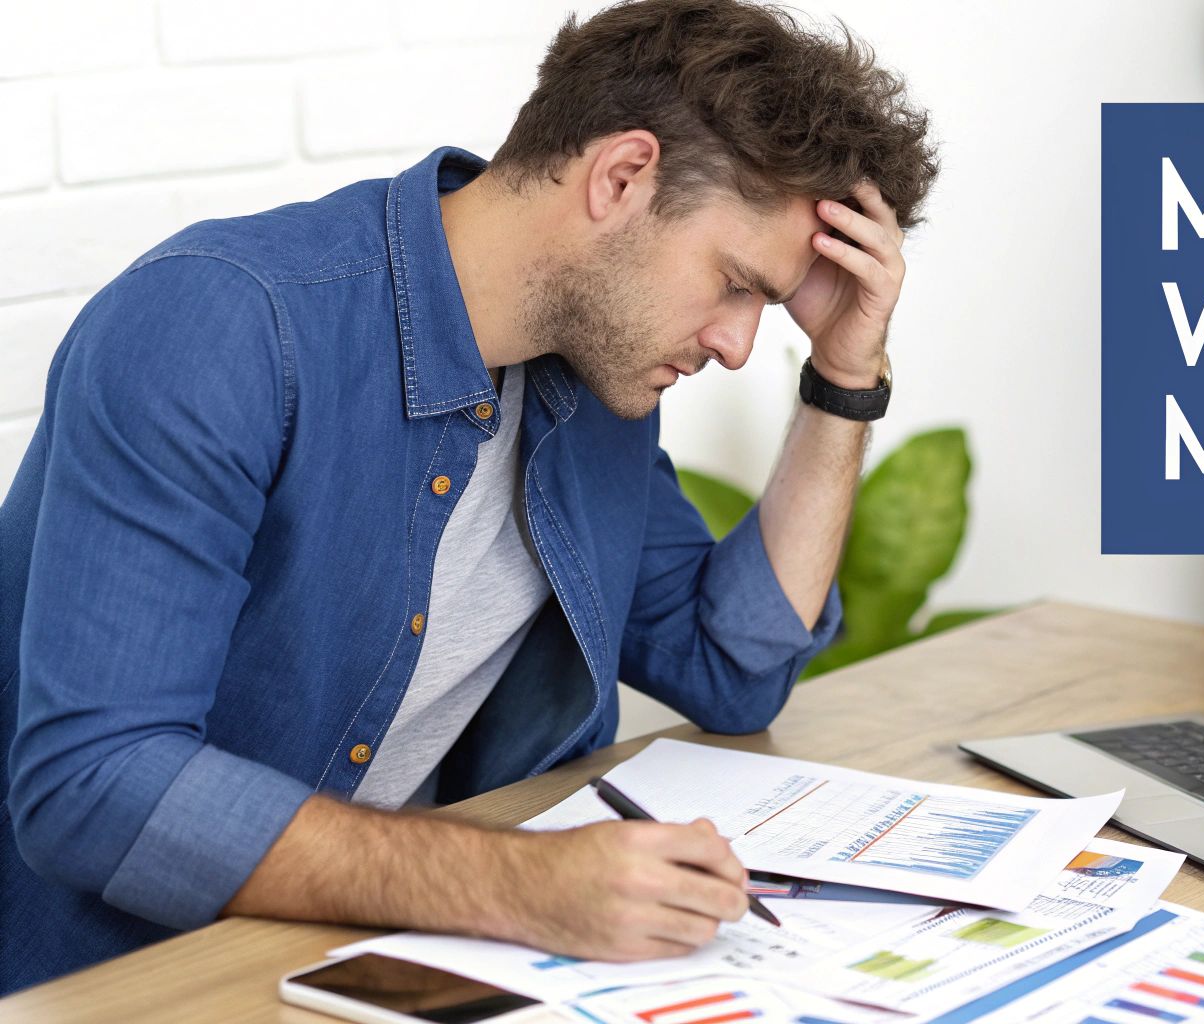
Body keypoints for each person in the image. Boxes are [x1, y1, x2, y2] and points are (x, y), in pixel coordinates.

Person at [0, 0, 938, 994]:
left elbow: (729, 668)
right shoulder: (223, 326)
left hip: (381, 959)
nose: (737, 344)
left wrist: (844, 374)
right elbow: (94, 784)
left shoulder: (593, 387)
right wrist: (520, 880)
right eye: (735, 283)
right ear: (622, 177)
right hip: (122, 981)